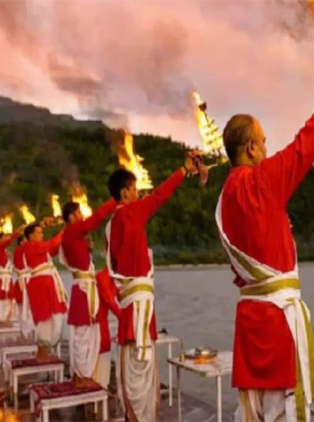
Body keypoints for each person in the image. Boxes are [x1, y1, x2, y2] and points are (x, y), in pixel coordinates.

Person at [215, 66, 314, 421]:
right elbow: (310, 138)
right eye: (263, 141)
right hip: (278, 326)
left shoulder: (224, 198)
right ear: (251, 148)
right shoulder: (263, 182)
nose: (267, 148)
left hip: (249, 322)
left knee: (253, 413)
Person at [105, 150, 202, 421]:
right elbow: (160, 195)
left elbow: (115, 265)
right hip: (139, 308)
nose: (138, 194)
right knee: (141, 370)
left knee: (131, 371)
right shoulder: (131, 213)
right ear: (125, 193)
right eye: (135, 189)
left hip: (130, 306)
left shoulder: (111, 224)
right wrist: (183, 171)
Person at [60, 197, 116, 387]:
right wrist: (114, 200)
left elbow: (79, 258)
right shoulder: (73, 230)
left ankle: (79, 374)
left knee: (81, 334)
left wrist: (86, 249)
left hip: (81, 289)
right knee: (85, 334)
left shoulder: (70, 234)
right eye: (78, 213)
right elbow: (97, 217)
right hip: (84, 291)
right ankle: (83, 376)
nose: (81, 216)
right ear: (71, 216)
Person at [23, 219, 66, 361]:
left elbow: (53, 248)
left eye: (42, 232)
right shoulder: (31, 246)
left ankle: (44, 351)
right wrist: (66, 229)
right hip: (40, 285)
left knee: (52, 318)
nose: (41, 235)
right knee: (44, 319)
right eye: (39, 233)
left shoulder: (38, 248)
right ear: (31, 236)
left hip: (46, 283)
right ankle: (41, 354)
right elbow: (51, 244)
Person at [0, 229, 23, 321]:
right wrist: (17, 232)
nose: (5, 238)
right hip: (3, 277)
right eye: (3, 237)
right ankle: (3, 316)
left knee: (10, 296)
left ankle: (8, 315)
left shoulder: (3, 249)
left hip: (7, 277)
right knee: (4, 297)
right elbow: (9, 241)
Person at [11, 235, 33, 339]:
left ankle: (24, 332)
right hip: (25, 281)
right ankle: (27, 332)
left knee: (22, 310)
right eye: (25, 240)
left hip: (23, 280)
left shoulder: (17, 251)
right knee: (27, 309)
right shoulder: (22, 250)